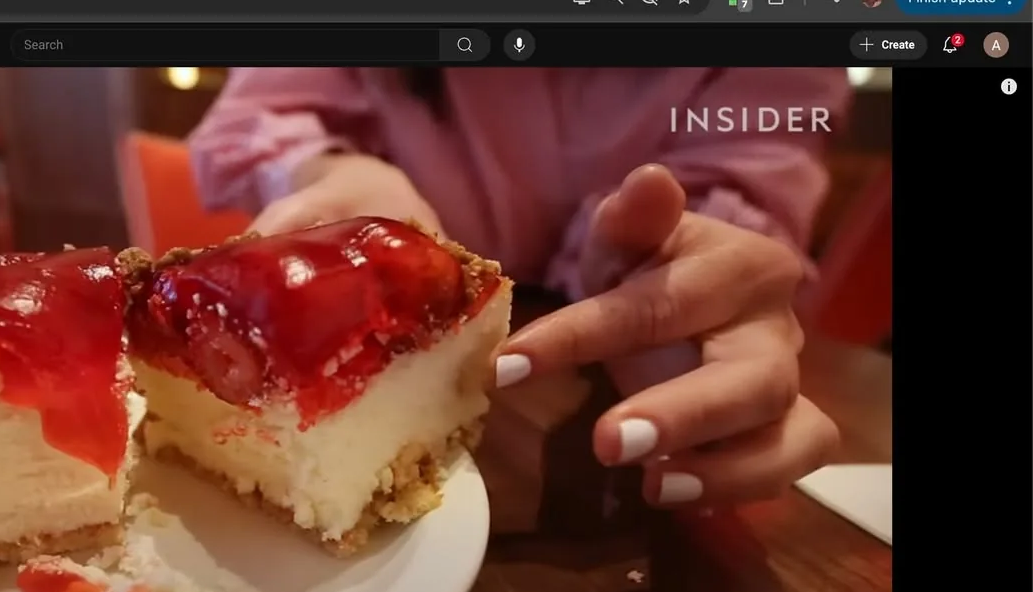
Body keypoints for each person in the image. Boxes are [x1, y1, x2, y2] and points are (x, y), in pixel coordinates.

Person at [185, 67, 852, 508]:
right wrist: (330, 170)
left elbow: (743, 198)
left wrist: (686, 288)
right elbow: (253, 120)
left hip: (585, 437)